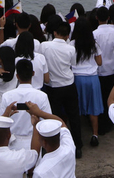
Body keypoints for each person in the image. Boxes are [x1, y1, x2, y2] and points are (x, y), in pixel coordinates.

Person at [40, 20, 83, 157]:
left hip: (53, 87)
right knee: (74, 116)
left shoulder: (45, 46)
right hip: (69, 85)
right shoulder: (71, 48)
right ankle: (78, 146)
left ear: (55, 33)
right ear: (67, 35)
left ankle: (56, 145)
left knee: (54, 117)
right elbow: (73, 64)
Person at [0, 59, 51, 150]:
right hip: (35, 142)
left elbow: (2, 121)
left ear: (17, 76)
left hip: (12, 143)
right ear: (33, 73)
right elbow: (47, 122)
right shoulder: (42, 96)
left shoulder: (7, 96)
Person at [71, 17, 103, 147]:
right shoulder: (94, 44)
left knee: (76, 109)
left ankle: (77, 136)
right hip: (92, 78)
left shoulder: (72, 44)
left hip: (77, 78)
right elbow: (99, 62)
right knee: (93, 108)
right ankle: (95, 134)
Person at [93, 7, 114, 134]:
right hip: (113, 70)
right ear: (108, 17)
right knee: (111, 97)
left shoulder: (94, 34)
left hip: (100, 70)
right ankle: (111, 122)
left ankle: (102, 124)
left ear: (96, 18)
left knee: (102, 98)